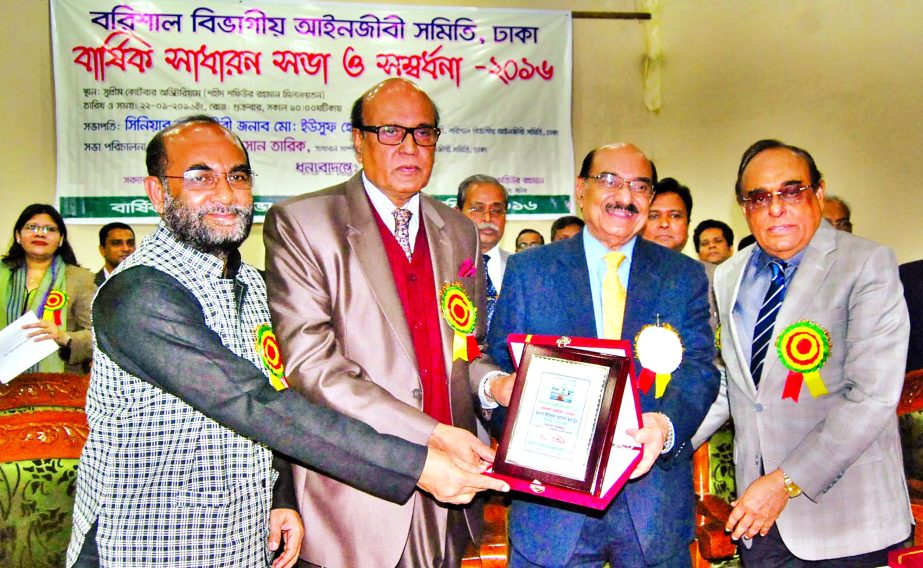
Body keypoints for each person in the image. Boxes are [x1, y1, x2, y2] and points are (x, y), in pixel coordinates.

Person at [67, 115, 506, 568]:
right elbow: (250, 403)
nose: (224, 193)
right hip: (146, 542)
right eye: (201, 177)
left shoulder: (250, 283)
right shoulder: (140, 295)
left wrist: (283, 496)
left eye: (237, 176)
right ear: (158, 193)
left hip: (239, 539)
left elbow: (279, 391)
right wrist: (418, 465)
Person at [265, 79, 503, 568]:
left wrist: (498, 384)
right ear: (358, 139)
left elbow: (465, 349)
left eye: (424, 133)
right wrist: (430, 432)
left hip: (449, 492)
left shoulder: (457, 230)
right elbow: (312, 367)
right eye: (392, 132)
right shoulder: (303, 222)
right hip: (355, 491)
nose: (410, 147)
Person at [484, 143, 719, 567]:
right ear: (581, 188)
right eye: (609, 180)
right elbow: (500, 367)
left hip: (652, 506)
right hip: (551, 511)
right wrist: (529, 441)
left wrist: (665, 426)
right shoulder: (530, 270)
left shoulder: (682, 275)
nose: (624, 196)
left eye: (638, 186)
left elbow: (701, 368)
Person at [693, 139, 911, 566]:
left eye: (791, 191)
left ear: (818, 192)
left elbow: (871, 397)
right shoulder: (729, 276)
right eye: (759, 197)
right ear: (744, 207)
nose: (775, 207)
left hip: (846, 521)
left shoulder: (866, 264)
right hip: (758, 523)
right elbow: (730, 384)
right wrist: (665, 438)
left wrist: (784, 482)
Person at [1, 203, 94, 375]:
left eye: (49, 229)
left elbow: (98, 337)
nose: (40, 233)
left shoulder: (80, 279)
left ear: (60, 239)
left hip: (57, 388)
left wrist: (63, 337)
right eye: (32, 227)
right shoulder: (1, 274)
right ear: (18, 236)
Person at [456, 174, 510, 331]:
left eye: (497, 210)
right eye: (477, 209)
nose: (488, 217)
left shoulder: (522, 269)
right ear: (457, 214)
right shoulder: (440, 266)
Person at [643, 177, 692, 252]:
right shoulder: (621, 262)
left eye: (675, 216)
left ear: (688, 225)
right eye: (653, 216)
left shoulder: (696, 264)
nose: (664, 224)